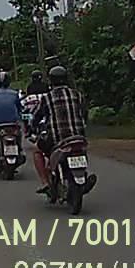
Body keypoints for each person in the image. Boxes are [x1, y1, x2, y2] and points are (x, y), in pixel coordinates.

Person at [29, 65, 90, 195]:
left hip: (58, 138)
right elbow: (84, 113)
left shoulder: (48, 98)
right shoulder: (77, 94)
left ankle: (45, 183)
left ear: (51, 80)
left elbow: (36, 116)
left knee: (37, 151)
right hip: (78, 136)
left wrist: (32, 128)